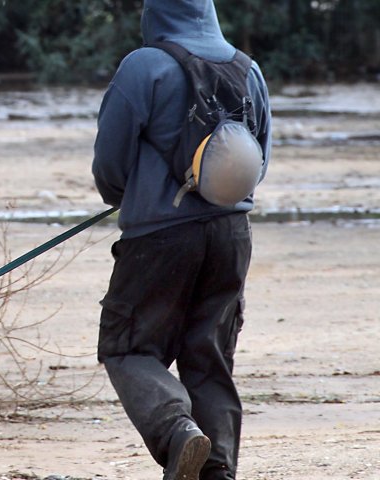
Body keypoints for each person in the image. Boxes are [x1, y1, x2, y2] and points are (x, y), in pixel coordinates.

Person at [91, 1, 271, 480]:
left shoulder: (143, 66)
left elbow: (110, 162)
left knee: (127, 348)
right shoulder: (248, 70)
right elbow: (259, 162)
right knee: (209, 356)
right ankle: (215, 471)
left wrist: (129, 198)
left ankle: (178, 432)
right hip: (232, 236)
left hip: (158, 237)